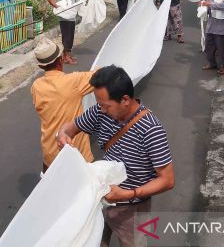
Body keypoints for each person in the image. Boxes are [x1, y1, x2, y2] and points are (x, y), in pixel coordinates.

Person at [56, 65, 175, 247]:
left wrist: (127, 194)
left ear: (125, 99)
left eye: (106, 106)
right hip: (100, 200)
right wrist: (62, 135)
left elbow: (167, 180)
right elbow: (69, 128)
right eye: (100, 105)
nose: (102, 110)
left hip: (132, 210)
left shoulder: (151, 130)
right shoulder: (100, 112)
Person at [31, 38, 95, 173]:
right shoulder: (74, 81)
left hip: (50, 152)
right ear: (61, 59)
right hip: (76, 151)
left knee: (51, 189)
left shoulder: (36, 86)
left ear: (41, 66)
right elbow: (102, 75)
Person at [48, 0, 88, 65]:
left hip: (72, 16)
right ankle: (66, 58)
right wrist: (56, 6)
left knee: (71, 38)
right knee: (66, 38)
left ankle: (67, 55)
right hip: (65, 18)